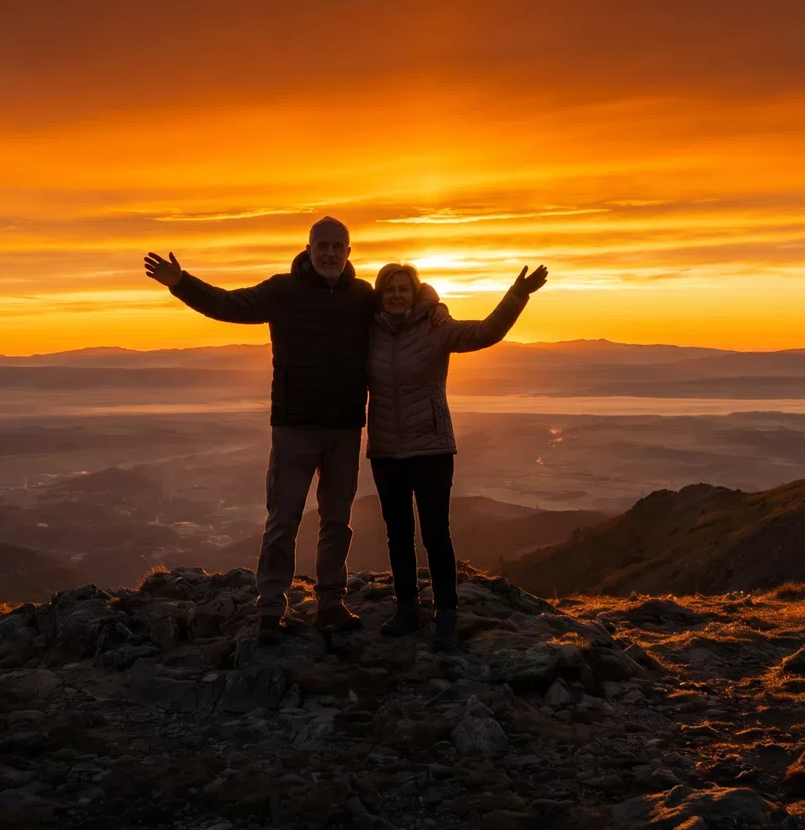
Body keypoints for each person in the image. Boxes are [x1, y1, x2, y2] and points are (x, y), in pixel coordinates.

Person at [144, 217, 374, 642]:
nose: (329, 253)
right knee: (282, 519)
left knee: (337, 520)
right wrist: (182, 283)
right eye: (321, 245)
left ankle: (331, 603)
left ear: (348, 252)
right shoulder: (282, 291)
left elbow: (404, 315)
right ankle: (271, 608)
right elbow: (230, 305)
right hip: (294, 427)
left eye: (337, 246)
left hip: (344, 428)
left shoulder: (364, 297)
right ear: (307, 248)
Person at [365, 261, 548, 650]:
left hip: (431, 447)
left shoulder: (436, 327)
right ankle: (407, 609)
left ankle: (446, 612)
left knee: (435, 534)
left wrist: (517, 296)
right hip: (385, 450)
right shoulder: (369, 334)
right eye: (389, 289)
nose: (397, 295)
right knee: (397, 534)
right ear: (380, 295)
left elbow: (485, 332)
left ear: (415, 293)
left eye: (403, 288)